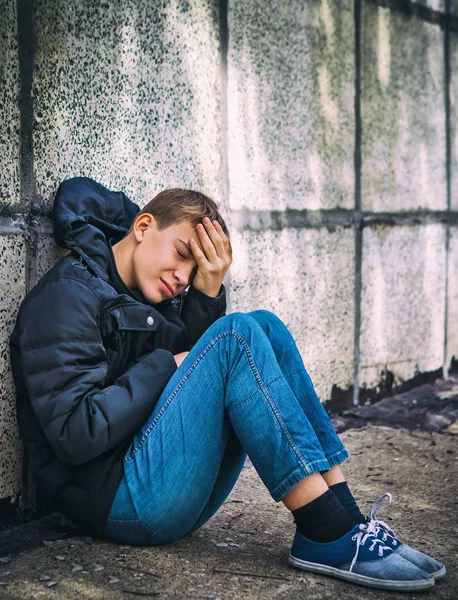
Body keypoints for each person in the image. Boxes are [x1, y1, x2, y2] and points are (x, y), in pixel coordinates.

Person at [10, 177, 445, 592]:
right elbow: (75, 434)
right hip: (114, 503)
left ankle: (347, 520)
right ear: (143, 226)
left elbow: (181, 384)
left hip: (160, 486)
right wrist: (168, 363)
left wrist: (206, 293)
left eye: (194, 268)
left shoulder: (143, 292)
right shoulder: (66, 296)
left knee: (264, 327)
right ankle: (324, 530)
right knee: (236, 334)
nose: (183, 276)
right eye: (182, 253)